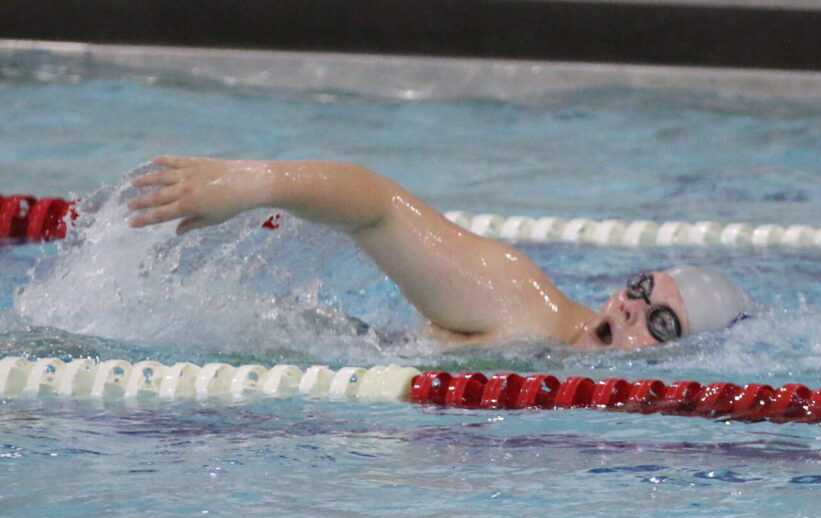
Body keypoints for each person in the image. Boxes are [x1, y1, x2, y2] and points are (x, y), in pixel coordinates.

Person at [127, 155, 751, 350]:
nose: (630, 310)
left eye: (660, 324)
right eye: (640, 291)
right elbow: (379, 206)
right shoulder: (520, 302)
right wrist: (252, 183)